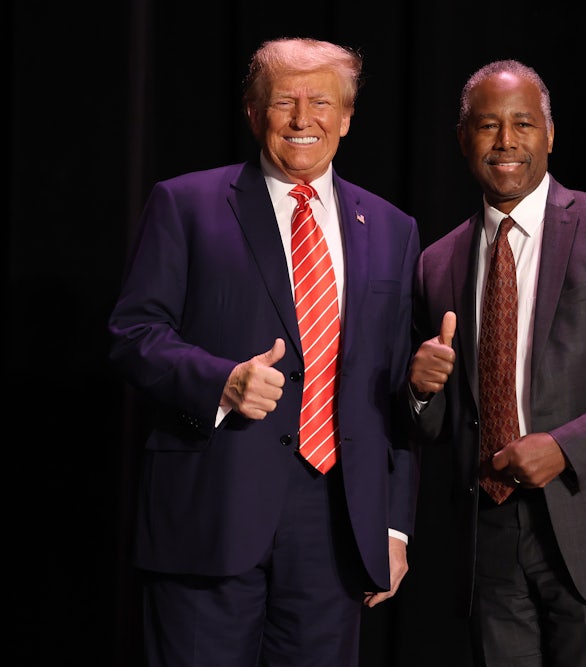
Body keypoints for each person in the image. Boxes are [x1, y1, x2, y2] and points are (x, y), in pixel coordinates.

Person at [108, 37, 420, 666]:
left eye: (322, 102)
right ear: (254, 113)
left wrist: (392, 525)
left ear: (347, 117)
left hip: (336, 524)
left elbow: (392, 391)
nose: (304, 118)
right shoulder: (186, 204)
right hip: (212, 509)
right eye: (284, 101)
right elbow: (133, 333)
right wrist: (220, 382)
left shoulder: (393, 227)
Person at [408, 59, 586, 666]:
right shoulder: (438, 262)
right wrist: (421, 392)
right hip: (487, 543)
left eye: (523, 124)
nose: (506, 141)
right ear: (463, 138)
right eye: (488, 125)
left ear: (549, 134)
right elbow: (437, 426)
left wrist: (565, 448)